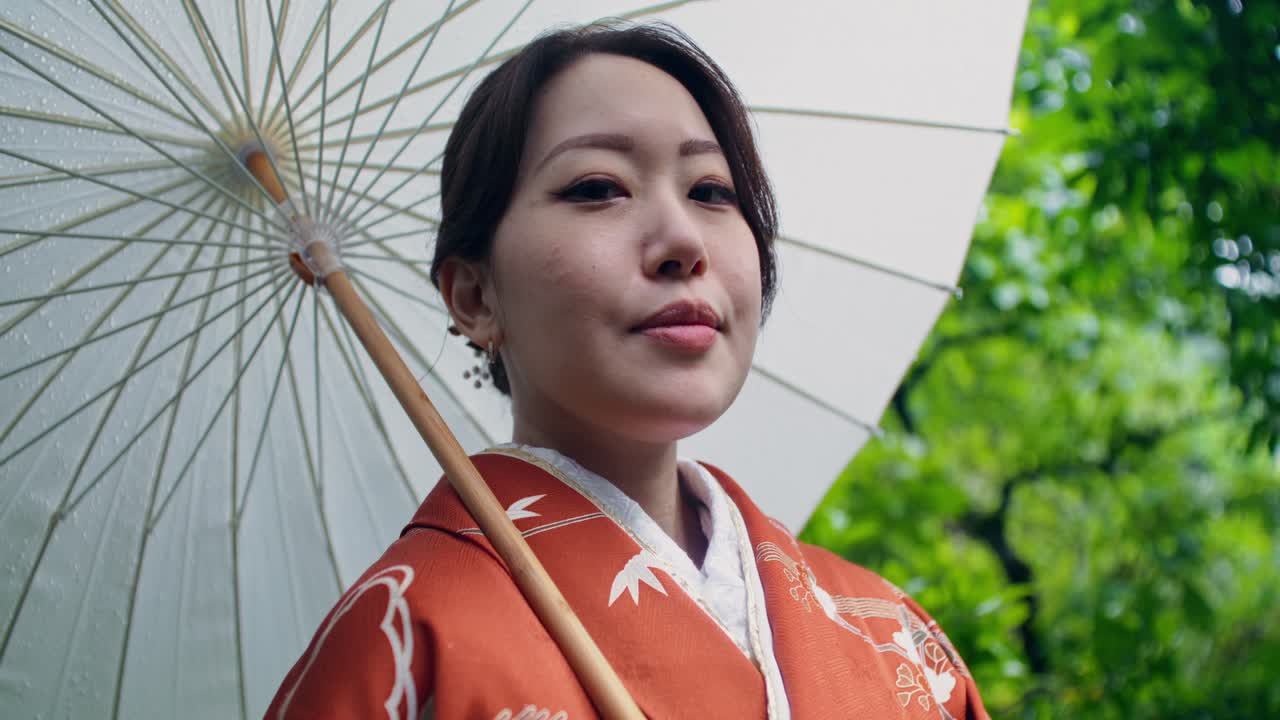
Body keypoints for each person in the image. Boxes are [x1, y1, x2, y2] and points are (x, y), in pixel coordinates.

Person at [268, 22, 987, 720]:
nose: (683, 240)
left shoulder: (897, 642)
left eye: (711, 192)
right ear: (476, 297)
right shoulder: (399, 656)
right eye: (597, 187)